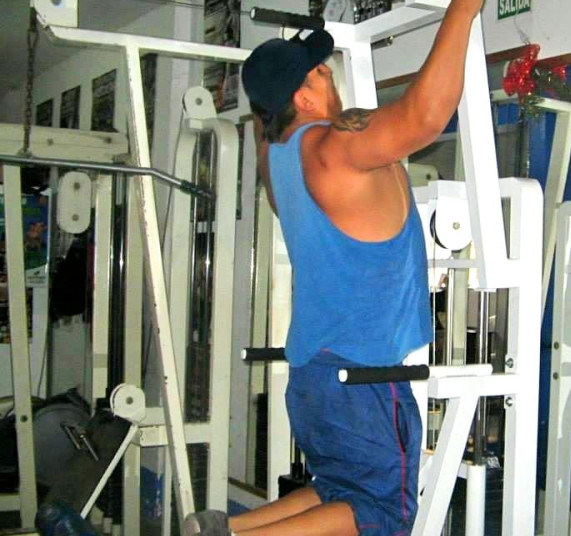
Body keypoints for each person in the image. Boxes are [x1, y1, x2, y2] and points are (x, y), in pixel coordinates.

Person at [185, 1, 485, 535]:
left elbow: (267, 129)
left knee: (341, 491)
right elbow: (424, 118)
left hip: (315, 375)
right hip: (361, 375)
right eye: (319, 72)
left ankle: (225, 528)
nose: (329, 72)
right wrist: (464, 9)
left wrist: (267, 109)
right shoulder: (333, 148)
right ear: (303, 98)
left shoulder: (278, 165)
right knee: (384, 513)